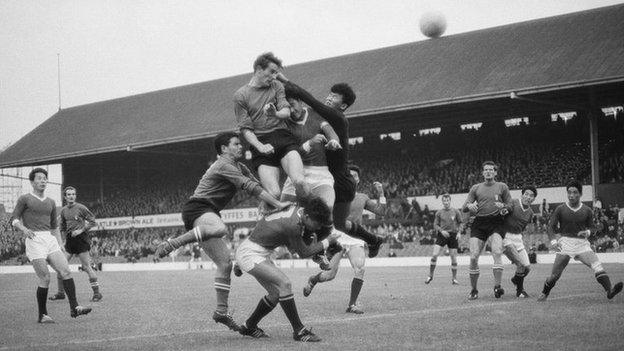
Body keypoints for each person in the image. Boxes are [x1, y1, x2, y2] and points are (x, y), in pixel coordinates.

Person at [154, 132, 291, 331]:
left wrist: (267, 202)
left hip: (208, 211)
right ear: (224, 149)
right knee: (220, 228)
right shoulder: (223, 165)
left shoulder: (240, 167)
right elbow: (248, 186)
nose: (240, 147)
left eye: (240, 144)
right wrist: (277, 203)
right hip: (199, 207)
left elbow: (256, 185)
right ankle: (172, 243)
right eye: (236, 144)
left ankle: (221, 311)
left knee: (225, 264)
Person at [277, 73, 384, 257]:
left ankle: (365, 241)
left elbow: (311, 101)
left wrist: (285, 81)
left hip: (340, 181)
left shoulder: (339, 119)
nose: (328, 97)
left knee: (337, 222)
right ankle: (369, 241)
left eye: (334, 97)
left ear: (342, 105)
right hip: (327, 177)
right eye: (330, 93)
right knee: (331, 220)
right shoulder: (319, 118)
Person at [235, 197, 338, 342]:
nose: (319, 227)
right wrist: (327, 241)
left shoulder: (296, 210)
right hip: (251, 253)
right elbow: (304, 253)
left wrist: (317, 250)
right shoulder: (293, 225)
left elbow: (281, 236)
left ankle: (249, 326)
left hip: (256, 249)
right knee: (285, 284)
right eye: (317, 223)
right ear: (307, 217)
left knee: (275, 294)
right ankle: (299, 331)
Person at [301, 164, 387, 314]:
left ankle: (352, 305)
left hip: (355, 238)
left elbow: (381, 212)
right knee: (329, 275)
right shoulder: (334, 195)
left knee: (360, 269)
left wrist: (381, 193)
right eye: (350, 175)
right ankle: (313, 280)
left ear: (359, 179)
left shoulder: (362, 197)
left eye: (355, 176)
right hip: (337, 237)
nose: (353, 178)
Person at [11, 168, 92, 323]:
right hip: (34, 239)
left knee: (66, 271)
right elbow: (14, 219)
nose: (43, 181)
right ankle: (42, 315)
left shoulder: (51, 202)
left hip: (50, 239)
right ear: (32, 181)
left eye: (45, 178)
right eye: (39, 178)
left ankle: (74, 308)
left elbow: (54, 227)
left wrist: (60, 244)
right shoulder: (25, 199)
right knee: (45, 277)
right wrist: (24, 229)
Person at [233, 52, 308, 202]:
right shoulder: (241, 95)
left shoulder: (276, 86)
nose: (274, 76)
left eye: (276, 73)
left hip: (283, 138)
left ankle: (315, 215)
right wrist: (260, 146)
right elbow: (246, 129)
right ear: (259, 69)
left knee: (299, 181)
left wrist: (275, 114)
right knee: (273, 194)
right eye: (271, 72)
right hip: (261, 142)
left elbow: (286, 112)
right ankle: (266, 216)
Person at [538, 180, 623, 301]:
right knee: (554, 276)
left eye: (575, 192)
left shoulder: (587, 210)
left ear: (580, 194)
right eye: (569, 192)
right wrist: (554, 242)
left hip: (582, 244)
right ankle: (544, 293)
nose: (571, 195)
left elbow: (593, 227)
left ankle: (610, 290)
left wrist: (587, 232)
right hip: (565, 244)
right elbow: (551, 227)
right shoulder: (560, 209)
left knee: (597, 266)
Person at [462, 161, 511, 300]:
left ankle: (497, 287)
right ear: (483, 172)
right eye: (486, 170)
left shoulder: (502, 186)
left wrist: (504, 207)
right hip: (479, 223)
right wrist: (470, 206)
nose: (488, 172)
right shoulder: (476, 188)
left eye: (491, 170)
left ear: (495, 172)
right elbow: (464, 207)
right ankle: (474, 290)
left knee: (496, 251)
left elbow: (510, 205)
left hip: (496, 222)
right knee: (473, 257)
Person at [49, 186, 101, 302]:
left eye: (73, 194)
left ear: (75, 196)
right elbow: (62, 227)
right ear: (65, 197)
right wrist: (63, 241)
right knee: (60, 267)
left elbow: (93, 221)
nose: (71, 196)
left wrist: (81, 230)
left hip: (81, 240)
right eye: (69, 194)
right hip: (69, 241)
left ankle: (97, 293)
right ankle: (61, 293)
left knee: (86, 267)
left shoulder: (81, 208)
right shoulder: (63, 211)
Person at [499, 186, 537, 298]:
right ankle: (520, 291)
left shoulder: (530, 212)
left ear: (534, 199)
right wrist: (503, 210)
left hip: (518, 239)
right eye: (526, 194)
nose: (528, 197)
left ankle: (516, 279)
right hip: (506, 237)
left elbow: (527, 229)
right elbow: (504, 211)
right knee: (520, 264)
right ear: (522, 194)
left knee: (527, 268)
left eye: (531, 195)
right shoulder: (514, 203)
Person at [425, 193, 463, 285]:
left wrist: (459, 233)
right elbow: (435, 225)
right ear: (442, 202)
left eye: (447, 200)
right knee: (434, 255)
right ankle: (430, 276)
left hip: (453, 236)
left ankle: (454, 279)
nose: (446, 202)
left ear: (450, 201)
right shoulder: (439, 213)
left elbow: (461, 223)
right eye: (444, 201)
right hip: (442, 235)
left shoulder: (456, 211)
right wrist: (441, 231)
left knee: (453, 258)